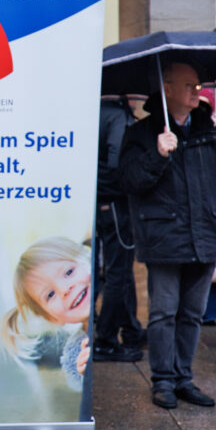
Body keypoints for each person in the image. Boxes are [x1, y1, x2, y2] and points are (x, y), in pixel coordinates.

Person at [119, 60, 216, 409]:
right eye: (189, 86)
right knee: (163, 312)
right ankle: (163, 380)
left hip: (206, 235)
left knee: (191, 313)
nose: (196, 92)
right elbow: (128, 181)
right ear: (167, 89)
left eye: (197, 85)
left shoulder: (211, 133)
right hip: (164, 238)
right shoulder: (141, 133)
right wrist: (158, 154)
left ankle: (183, 377)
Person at [0, 237, 92, 391]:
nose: (64, 290)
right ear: (52, 318)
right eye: (50, 295)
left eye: (69, 272)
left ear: (90, 259)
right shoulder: (75, 353)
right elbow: (82, 392)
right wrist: (86, 375)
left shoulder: (124, 294)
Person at [92, 95, 144, 362]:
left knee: (117, 270)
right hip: (115, 202)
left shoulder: (95, 110)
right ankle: (106, 339)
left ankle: (131, 329)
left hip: (100, 200)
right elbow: (117, 163)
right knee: (118, 273)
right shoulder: (117, 116)